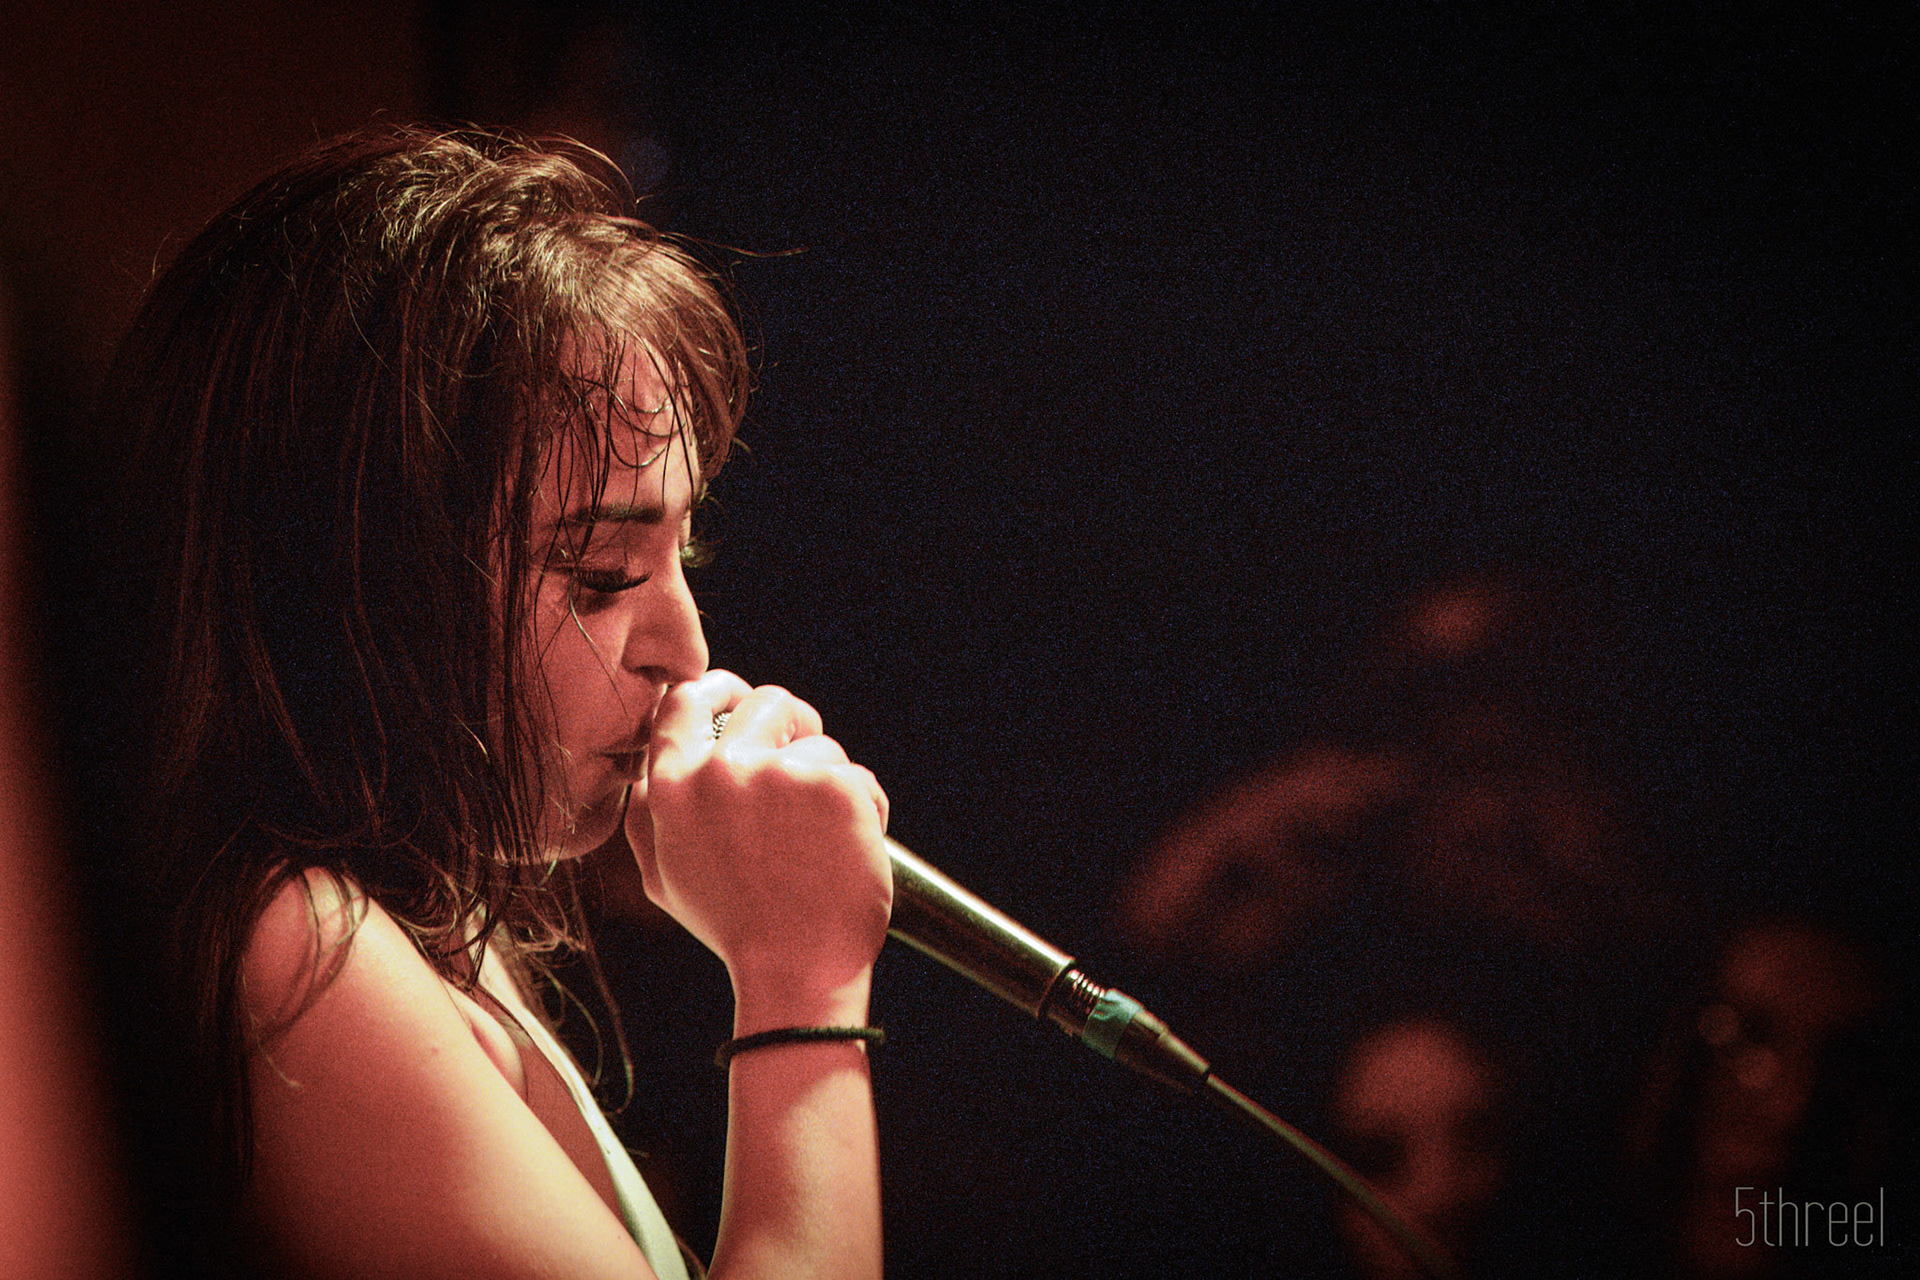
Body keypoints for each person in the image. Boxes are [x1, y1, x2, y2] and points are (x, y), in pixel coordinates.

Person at [86, 126, 891, 1279]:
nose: (687, 650)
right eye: (601, 573)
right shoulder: (295, 946)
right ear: (354, 575)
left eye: (683, 553)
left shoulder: (413, 917)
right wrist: (800, 985)